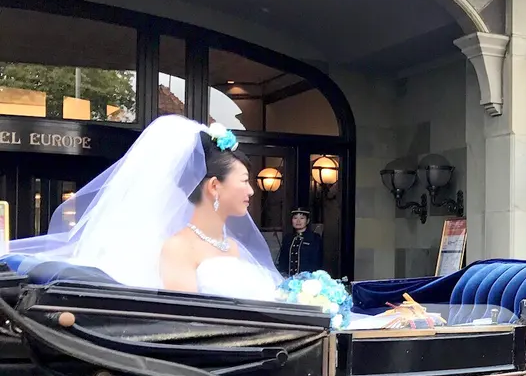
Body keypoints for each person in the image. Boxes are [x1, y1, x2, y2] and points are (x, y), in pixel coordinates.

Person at [4, 115, 282, 301]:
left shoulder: (231, 246)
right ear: (214, 187)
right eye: (244, 181)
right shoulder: (178, 248)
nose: (250, 191)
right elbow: (189, 318)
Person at [278, 208, 323, 277]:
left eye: (302, 218)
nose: (298, 221)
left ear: (307, 221)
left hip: (307, 280)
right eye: (295, 218)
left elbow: (316, 262)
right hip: (288, 279)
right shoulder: (288, 238)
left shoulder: (314, 238)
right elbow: (282, 260)